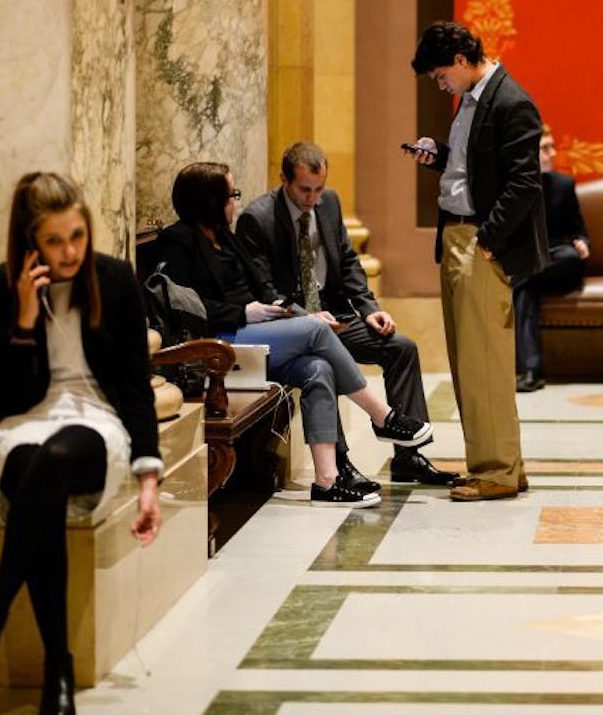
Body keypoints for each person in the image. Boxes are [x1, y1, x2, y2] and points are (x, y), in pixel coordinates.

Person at [0, 172, 163, 715]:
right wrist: (24, 317)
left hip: (96, 423)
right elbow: (14, 393)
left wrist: (148, 481)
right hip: (27, 420)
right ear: (30, 244)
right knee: (31, 468)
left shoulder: (115, 281)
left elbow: (137, 387)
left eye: (76, 236)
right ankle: (57, 672)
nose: (70, 251)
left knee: (57, 456)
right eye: (53, 241)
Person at [156, 162, 433, 508]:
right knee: (316, 329)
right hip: (222, 343)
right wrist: (244, 312)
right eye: (231, 195)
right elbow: (188, 307)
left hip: (255, 333)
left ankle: (328, 480)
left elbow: (262, 284)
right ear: (209, 200)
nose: (235, 202)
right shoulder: (177, 242)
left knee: (318, 368)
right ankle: (382, 416)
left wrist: (275, 306)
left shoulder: (225, 236)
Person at [236, 142, 458, 486]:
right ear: (283, 179)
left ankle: (408, 456)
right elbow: (266, 291)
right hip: (293, 324)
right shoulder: (258, 219)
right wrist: (305, 318)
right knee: (320, 367)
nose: (312, 198)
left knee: (401, 348)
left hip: (337, 314)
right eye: (304, 190)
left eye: (318, 189)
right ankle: (340, 464)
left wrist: (370, 309)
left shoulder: (330, 203)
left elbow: (348, 259)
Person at [405, 20, 546, 502]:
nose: (439, 84)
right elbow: (474, 168)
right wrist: (439, 156)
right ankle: (504, 464)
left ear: (462, 62)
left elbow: (525, 183)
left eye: (441, 75)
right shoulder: (471, 100)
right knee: (470, 359)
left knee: (483, 360)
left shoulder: (512, 101)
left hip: (480, 240)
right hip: (458, 234)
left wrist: (488, 241)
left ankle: (498, 471)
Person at [511, 125, 590, 392]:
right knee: (526, 290)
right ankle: (532, 370)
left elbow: (578, 228)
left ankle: (530, 370)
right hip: (532, 263)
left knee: (566, 258)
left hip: (559, 263)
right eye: (545, 148)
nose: (552, 153)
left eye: (552, 147)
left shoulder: (563, 185)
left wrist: (582, 242)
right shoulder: (514, 187)